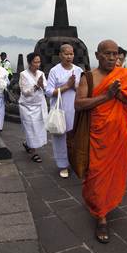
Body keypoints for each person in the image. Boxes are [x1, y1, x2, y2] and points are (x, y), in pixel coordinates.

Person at [75, 39, 127, 244]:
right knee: (96, 176)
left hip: (120, 137)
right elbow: (79, 104)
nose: (112, 58)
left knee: (114, 177)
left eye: (115, 54)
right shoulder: (88, 78)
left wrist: (121, 96)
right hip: (97, 137)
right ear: (97, 55)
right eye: (107, 54)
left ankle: (104, 206)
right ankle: (101, 216)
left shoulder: (126, 76)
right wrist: (107, 96)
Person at [46, 44, 83, 178]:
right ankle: (63, 165)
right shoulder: (54, 71)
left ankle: (76, 162)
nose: (69, 56)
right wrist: (67, 86)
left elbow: (83, 90)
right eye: (66, 54)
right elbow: (49, 92)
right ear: (60, 55)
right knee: (60, 137)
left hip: (75, 109)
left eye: (71, 54)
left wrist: (75, 87)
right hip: (60, 109)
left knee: (75, 138)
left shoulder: (78, 70)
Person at [19, 52, 48, 163]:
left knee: (39, 128)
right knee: (31, 128)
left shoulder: (41, 73)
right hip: (27, 106)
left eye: (39, 62)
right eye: (35, 62)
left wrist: (42, 85)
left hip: (39, 104)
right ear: (30, 62)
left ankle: (28, 144)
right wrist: (36, 86)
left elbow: (46, 87)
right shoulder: (23, 74)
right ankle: (34, 152)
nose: (38, 64)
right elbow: (25, 92)